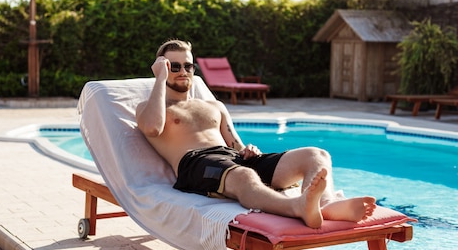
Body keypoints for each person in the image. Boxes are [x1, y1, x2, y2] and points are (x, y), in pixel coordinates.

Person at [136, 39, 376, 229]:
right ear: (163, 68)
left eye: (187, 66)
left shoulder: (214, 106)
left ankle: (325, 204)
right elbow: (152, 129)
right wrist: (160, 78)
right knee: (244, 176)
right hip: (196, 163)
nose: (182, 71)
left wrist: (247, 150)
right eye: (173, 66)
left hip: (231, 159)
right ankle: (297, 206)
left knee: (316, 154)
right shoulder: (151, 108)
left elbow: (235, 145)